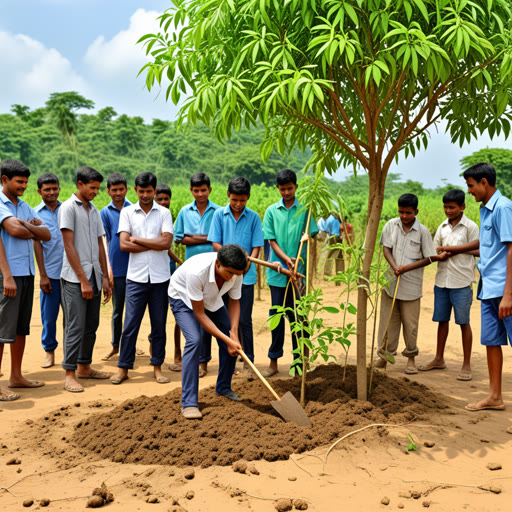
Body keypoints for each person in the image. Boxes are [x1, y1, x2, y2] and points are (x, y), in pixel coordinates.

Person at [438, 163, 512, 411]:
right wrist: (454, 249)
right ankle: (494, 396)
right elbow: (486, 244)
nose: (468, 191)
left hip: (505, 290)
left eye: (470, 185)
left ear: (483, 182)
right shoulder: (485, 210)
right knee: (492, 341)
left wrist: (509, 295)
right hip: (488, 287)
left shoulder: (503, 207)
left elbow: (511, 249)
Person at [168, 244, 247, 419]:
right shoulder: (198, 272)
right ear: (218, 263)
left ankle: (224, 387)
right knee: (194, 340)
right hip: (182, 298)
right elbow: (200, 315)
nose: (232, 277)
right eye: (229, 273)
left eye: (236, 274)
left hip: (211, 298)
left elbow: (234, 301)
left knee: (232, 342)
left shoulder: (236, 272)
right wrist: (227, 339)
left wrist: (233, 333)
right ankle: (188, 403)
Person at [111, 172, 173, 385]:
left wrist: (138, 239)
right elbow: (124, 245)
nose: (145, 195)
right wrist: (151, 242)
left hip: (160, 278)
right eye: (141, 191)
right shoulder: (127, 212)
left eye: (149, 191)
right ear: (135, 190)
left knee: (158, 325)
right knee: (130, 325)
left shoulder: (164, 213)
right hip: (135, 278)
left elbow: (166, 244)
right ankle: (123, 368)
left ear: (155, 191)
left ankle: (157, 366)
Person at [0, 159, 50, 395]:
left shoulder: (24, 206)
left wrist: (26, 226)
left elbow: (47, 235)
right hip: (7, 276)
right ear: (4, 180)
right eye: (19, 182)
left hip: (27, 274)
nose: (23, 186)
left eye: (25, 183)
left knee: (21, 328)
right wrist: (7, 276)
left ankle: (16, 376)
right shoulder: (0, 203)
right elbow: (13, 231)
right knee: (2, 331)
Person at [60, 166, 112, 393]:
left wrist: (106, 277)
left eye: (97, 189)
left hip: (95, 276)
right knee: (75, 325)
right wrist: (83, 280)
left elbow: (101, 244)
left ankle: (84, 366)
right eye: (92, 187)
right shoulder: (68, 208)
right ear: (79, 184)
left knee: (91, 325)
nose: (95, 192)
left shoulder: (94, 210)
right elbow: (68, 245)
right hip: (75, 279)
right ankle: (69, 373)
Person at [261, 168, 318, 377]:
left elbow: (310, 235)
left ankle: (299, 361)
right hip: (277, 272)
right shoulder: (271, 211)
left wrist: (305, 244)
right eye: (283, 189)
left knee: (298, 317)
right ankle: (273, 361)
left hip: (298, 273)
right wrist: (284, 258)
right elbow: (271, 240)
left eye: (290, 188)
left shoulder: (305, 210)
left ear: (296, 187)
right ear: (278, 188)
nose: (286, 192)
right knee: (277, 315)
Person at [418, 189, 479, 381]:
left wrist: (454, 251)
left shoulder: (470, 227)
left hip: (461, 282)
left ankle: (466, 364)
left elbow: (480, 250)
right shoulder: (442, 227)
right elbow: (434, 251)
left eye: (452, 207)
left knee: (463, 323)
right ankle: (438, 358)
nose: (448, 211)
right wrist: (440, 255)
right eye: (445, 207)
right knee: (442, 321)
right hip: (442, 281)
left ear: (462, 207)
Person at [375, 193, 437, 374]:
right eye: (401, 212)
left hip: (411, 287)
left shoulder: (423, 232)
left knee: (410, 325)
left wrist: (407, 268)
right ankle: (384, 357)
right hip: (390, 283)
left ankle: (411, 358)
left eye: (408, 213)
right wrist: (394, 266)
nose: (404, 216)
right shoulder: (390, 226)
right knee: (387, 323)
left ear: (416, 212)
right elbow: (386, 248)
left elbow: (430, 258)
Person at [207, 177, 264, 371]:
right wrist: (229, 264)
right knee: (222, 321)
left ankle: (249, 361)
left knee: (244, 320)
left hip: (245, 276)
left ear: (248, 198)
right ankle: (227, 359)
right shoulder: (218, 215)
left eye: (242, 200)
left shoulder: (254, 218)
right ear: (228, 196)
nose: (238, 204)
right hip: (223, 277)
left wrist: (246, 265)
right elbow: (215, 243)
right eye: (234, 200)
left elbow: (257, 247)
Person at [174, 172, 219, 377]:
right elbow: (179, 239)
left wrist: (195, 237)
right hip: (191, 272)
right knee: (194, 317)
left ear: (210, 190)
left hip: (213, 272)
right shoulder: (184, 211)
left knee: (209, 315)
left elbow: (217, 239)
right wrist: (207, 238)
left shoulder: (218, 212)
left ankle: (205, 361)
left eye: (204, 190)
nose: (200, 194)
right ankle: (199, 362)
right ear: (191, 190)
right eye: (196, 190)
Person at [100, 173, 132, 361]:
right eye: (114, 190)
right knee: (117, 310)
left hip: (135, 268)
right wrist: (108, 270)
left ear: (127, 190)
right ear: (108, 191)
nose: (118, 193)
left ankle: (130, 346)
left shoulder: (134, 209)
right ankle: (115, 346)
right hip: (116, 268)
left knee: (133, 311)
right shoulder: (104, 213)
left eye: (121, 189)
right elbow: (105, 241)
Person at [34, 173, 64, 369]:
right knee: (49, 317)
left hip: (71, 275)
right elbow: (37, 245)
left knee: (73, 319)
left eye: (54, 188)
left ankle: (71, 354)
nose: (52, 192)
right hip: (50, 275)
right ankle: (49, 352)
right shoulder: (34, 214)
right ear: (39, 192)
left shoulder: (68, 209)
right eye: (47, 189)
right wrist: (43, 275)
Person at [154, 183, 183, 372]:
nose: (163, 202)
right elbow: (164, 245)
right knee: (158, 314)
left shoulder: (168, 218)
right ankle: (155, 351)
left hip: (170, 270)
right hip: (156, 272)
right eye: (160, 199)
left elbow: (168, 245)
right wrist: (179, 260)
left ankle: (177, 353)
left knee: (179, 312)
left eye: (166, 199)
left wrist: (178, 262)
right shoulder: (153, 218)